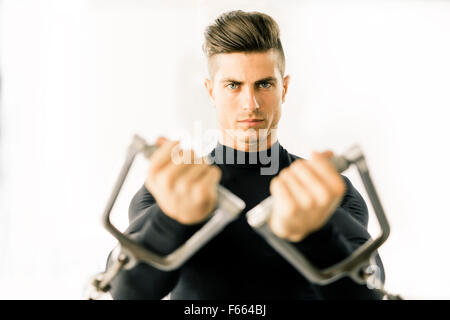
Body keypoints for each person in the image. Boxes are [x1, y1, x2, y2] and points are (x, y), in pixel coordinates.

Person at [106, 10, 385, 299]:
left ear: (284, 88)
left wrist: (316, 236)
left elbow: (371, 291)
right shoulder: (172, 189)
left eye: (264, 84)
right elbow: (124, 291)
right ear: (211, 91)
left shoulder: (325, 191)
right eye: (233, 85)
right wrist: (170, 222)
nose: (250, 103)